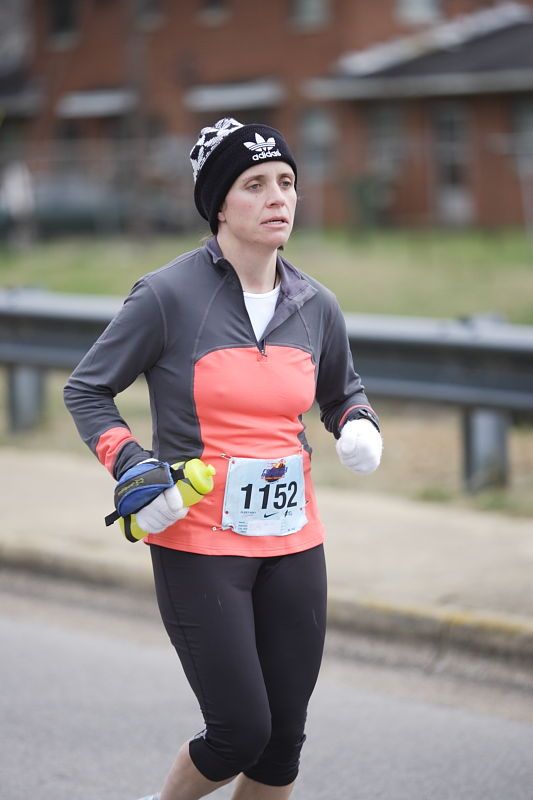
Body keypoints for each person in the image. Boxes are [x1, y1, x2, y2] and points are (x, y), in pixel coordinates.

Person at [64, 117, 382, 800]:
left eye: (287, 182)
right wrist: (130, 462)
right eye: (255, 184)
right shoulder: (167, 296)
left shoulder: (315, 304)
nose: (278, 198)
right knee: (239, 730)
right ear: (218, 204)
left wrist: (356, 422)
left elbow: (341, 390)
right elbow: (87, 390)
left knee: (281, 744)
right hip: (199, 540)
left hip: (295, 542)